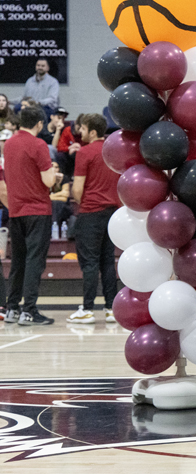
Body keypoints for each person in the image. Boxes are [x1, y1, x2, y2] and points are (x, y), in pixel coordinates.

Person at [2, 105, 56, 325]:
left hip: (15, 211)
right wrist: (54, 173)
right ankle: (29, 310)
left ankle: (12, 308)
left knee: (18, 261)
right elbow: (48, 181)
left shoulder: (9, 144)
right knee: (35, 261)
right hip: (37, 210)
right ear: (40, 124)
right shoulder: (38, 144)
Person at [66, 114, 121, 324]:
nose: (80, 132)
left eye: (83, 128)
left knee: (89, 263)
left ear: (92, 131)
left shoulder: (85, 152)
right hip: (112, 214)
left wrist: (84, 203)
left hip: (90, 213)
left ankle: (87, 309)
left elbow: (77, 189)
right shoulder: (114, 151)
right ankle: (110, 309)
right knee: (107, 262)